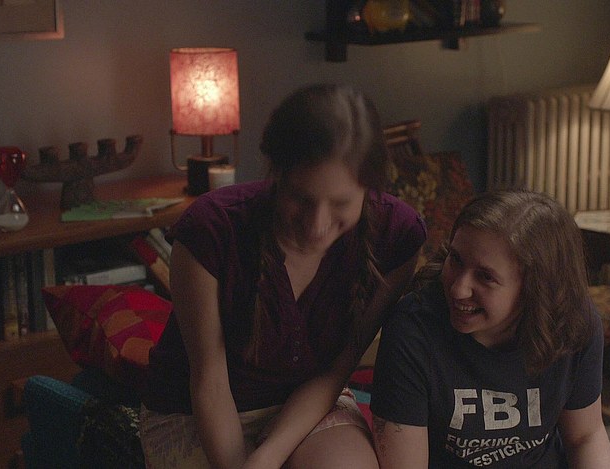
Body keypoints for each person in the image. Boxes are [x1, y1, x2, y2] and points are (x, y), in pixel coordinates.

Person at [139, 83, 427, 469]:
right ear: (275, 173)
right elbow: (209, 382)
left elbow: (336, 370)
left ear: (371, 186)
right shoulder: (210, 230)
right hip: (194, 411)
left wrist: (269, 455)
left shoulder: (398, 236)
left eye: (341, 203)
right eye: (301, 198)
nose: (317, 226)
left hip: (311, 405)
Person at [370, 189, 610, 468]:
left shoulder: (573, 324)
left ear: (535, 288)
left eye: (485, 277)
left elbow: (585, 437)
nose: (458, 289)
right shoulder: (412, 330)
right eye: (456, 259)